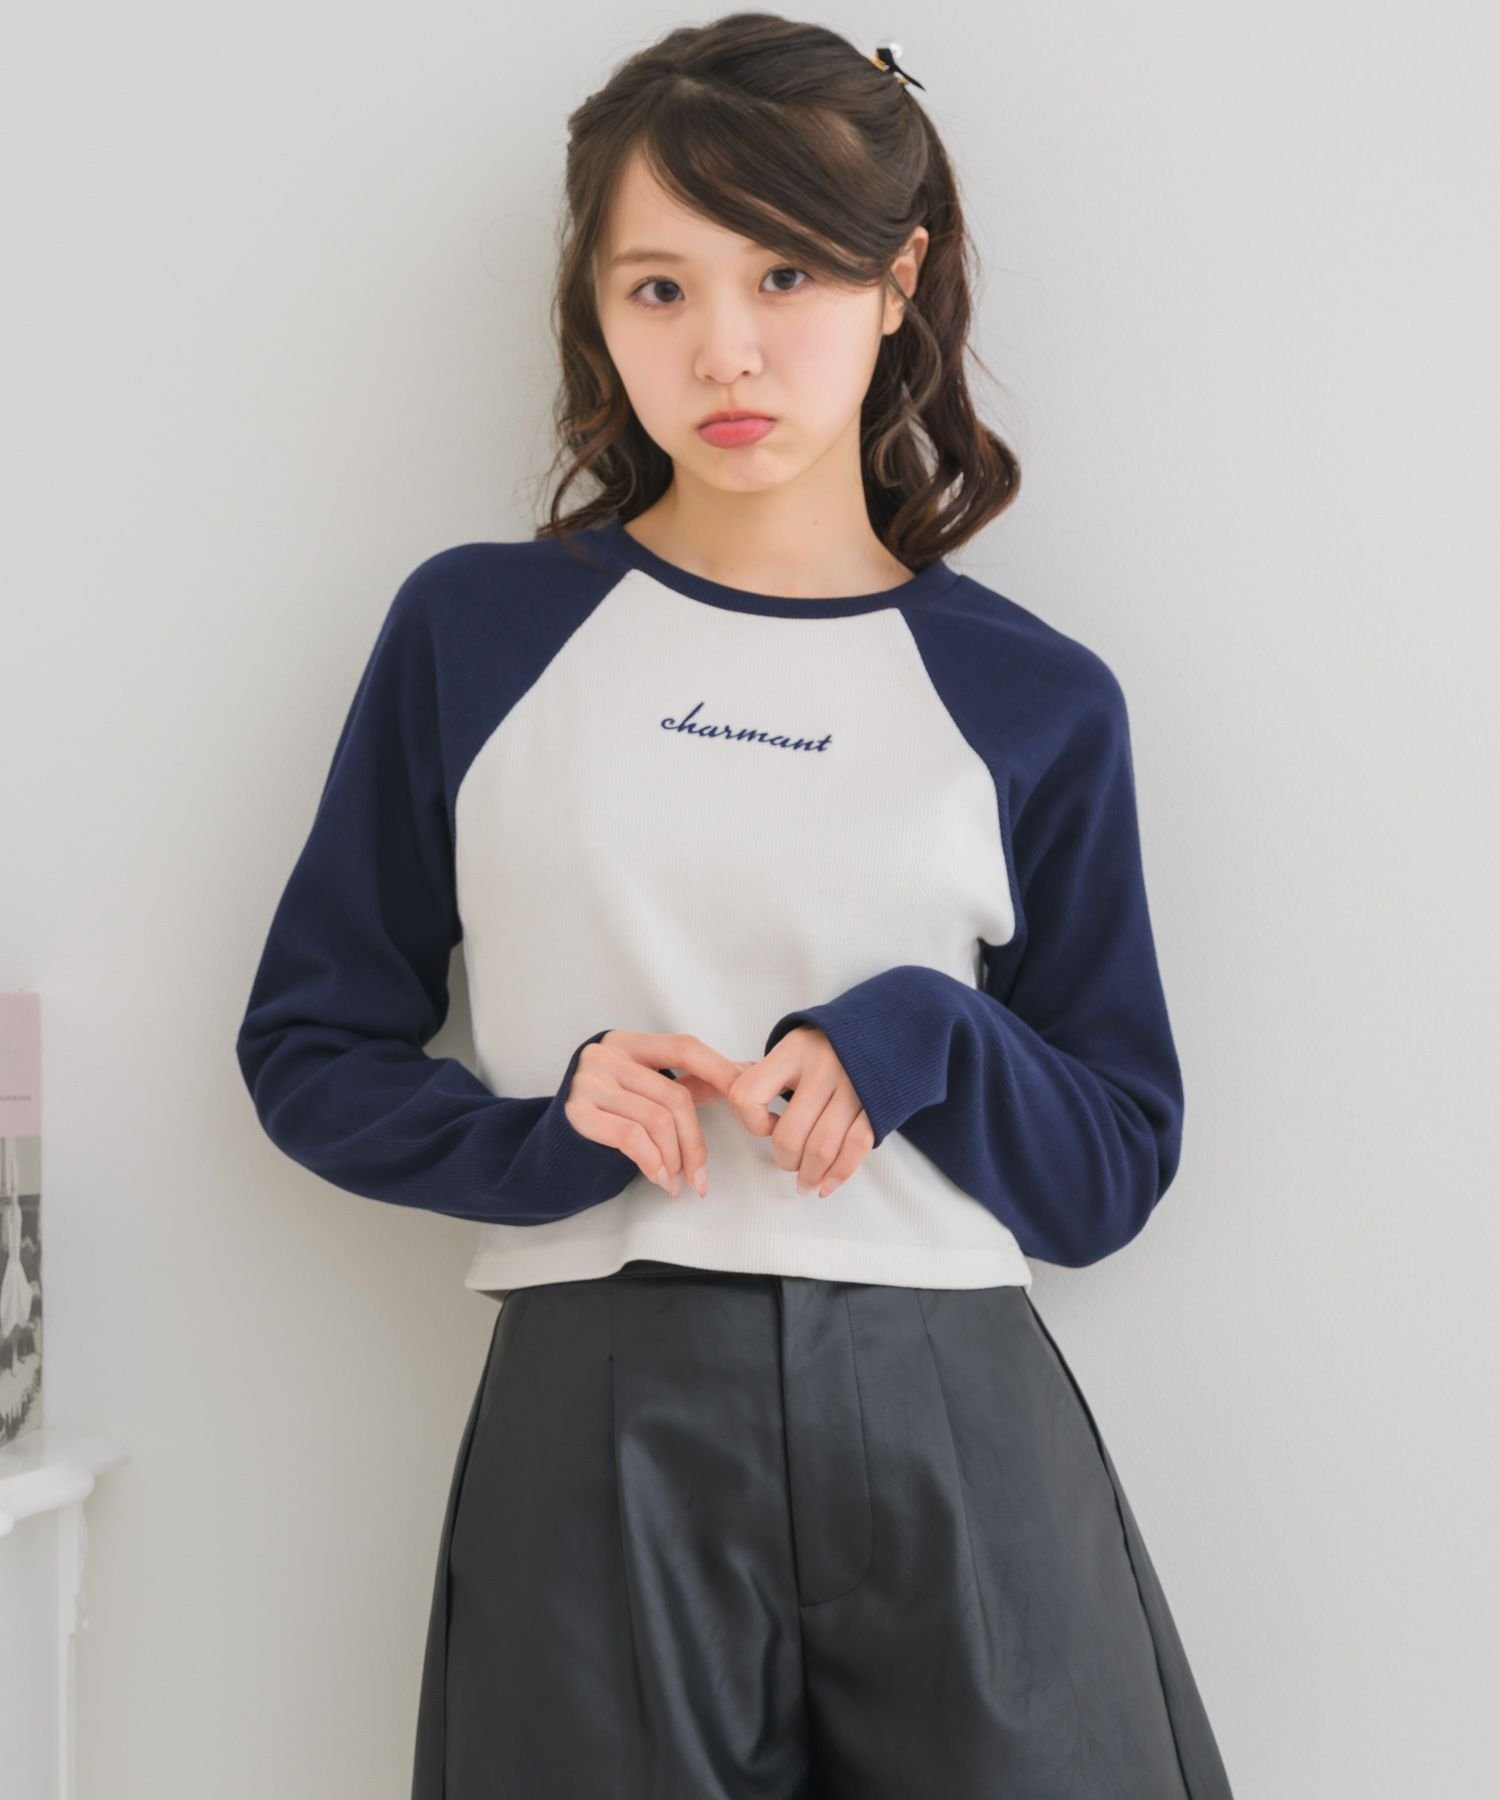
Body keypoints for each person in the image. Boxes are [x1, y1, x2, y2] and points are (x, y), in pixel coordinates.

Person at [234, 14, 1234, 1797]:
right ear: (596, 308)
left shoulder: (1035, 696)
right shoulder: (478, 632)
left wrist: (928, 1033)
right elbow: (311, 1044)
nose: (727, 350)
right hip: (600, 1407)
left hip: (956, 1421)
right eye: (660, 289)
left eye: (788, 272)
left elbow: (1113, 1172)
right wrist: (544, 1134)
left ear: (898, 280)